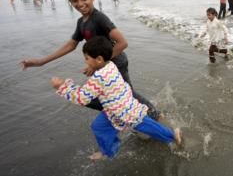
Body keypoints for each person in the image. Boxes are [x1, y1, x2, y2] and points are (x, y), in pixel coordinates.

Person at [20, 0, 162, 120]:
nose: (80, 4)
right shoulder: (81, 22)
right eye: (75, 0)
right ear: (70, 2)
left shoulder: (99, 18)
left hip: (116, 62)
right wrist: (41, 61)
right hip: (102, 65)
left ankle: (154, 116)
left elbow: (122, 43)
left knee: (126, 95)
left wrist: (96, 65)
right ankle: (130, 117)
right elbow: (71, 44)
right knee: (110, 98)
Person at [51, 36, 182, 160]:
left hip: (124, 111)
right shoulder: (110, 65)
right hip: (116, 108)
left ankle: (173, 135)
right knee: (99, 126)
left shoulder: (99, 78)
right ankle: (107, 151)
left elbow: (82, 98)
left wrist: (63, 87)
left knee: (146, 125)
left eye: (87, 58)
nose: (85, 61)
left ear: (99, 59)